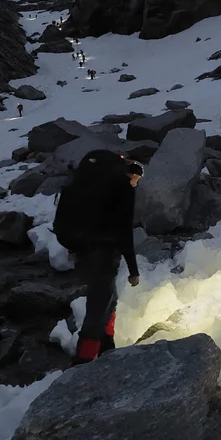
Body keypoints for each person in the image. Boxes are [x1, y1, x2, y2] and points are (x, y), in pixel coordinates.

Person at [52, 150, 143, 366]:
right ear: (131, 174)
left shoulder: (89, 181)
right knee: (98, 309)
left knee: (109, 300)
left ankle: (106, 349)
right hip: (103, 254)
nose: (136, 183)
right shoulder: (122, 187)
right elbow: (124, 232)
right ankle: (82, 364)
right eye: (137, 179)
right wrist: (133, 270)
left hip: (83, 249)